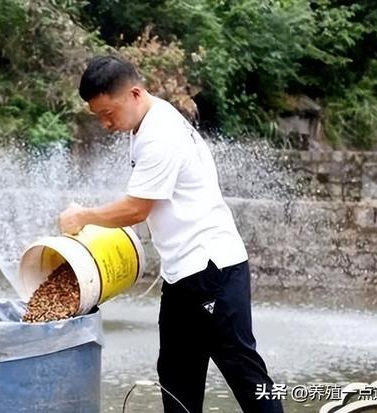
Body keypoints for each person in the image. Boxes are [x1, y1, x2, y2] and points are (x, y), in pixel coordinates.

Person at [58, 55, 283, 413]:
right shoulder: (147, 120)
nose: (105, 124)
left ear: (133, 93)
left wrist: (84, 216)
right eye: (97, 115)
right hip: (182, 275)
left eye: (108, 113)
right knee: (177, 376)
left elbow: (137, 209)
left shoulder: (160, 136)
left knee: (244, 373)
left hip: (212, 270)